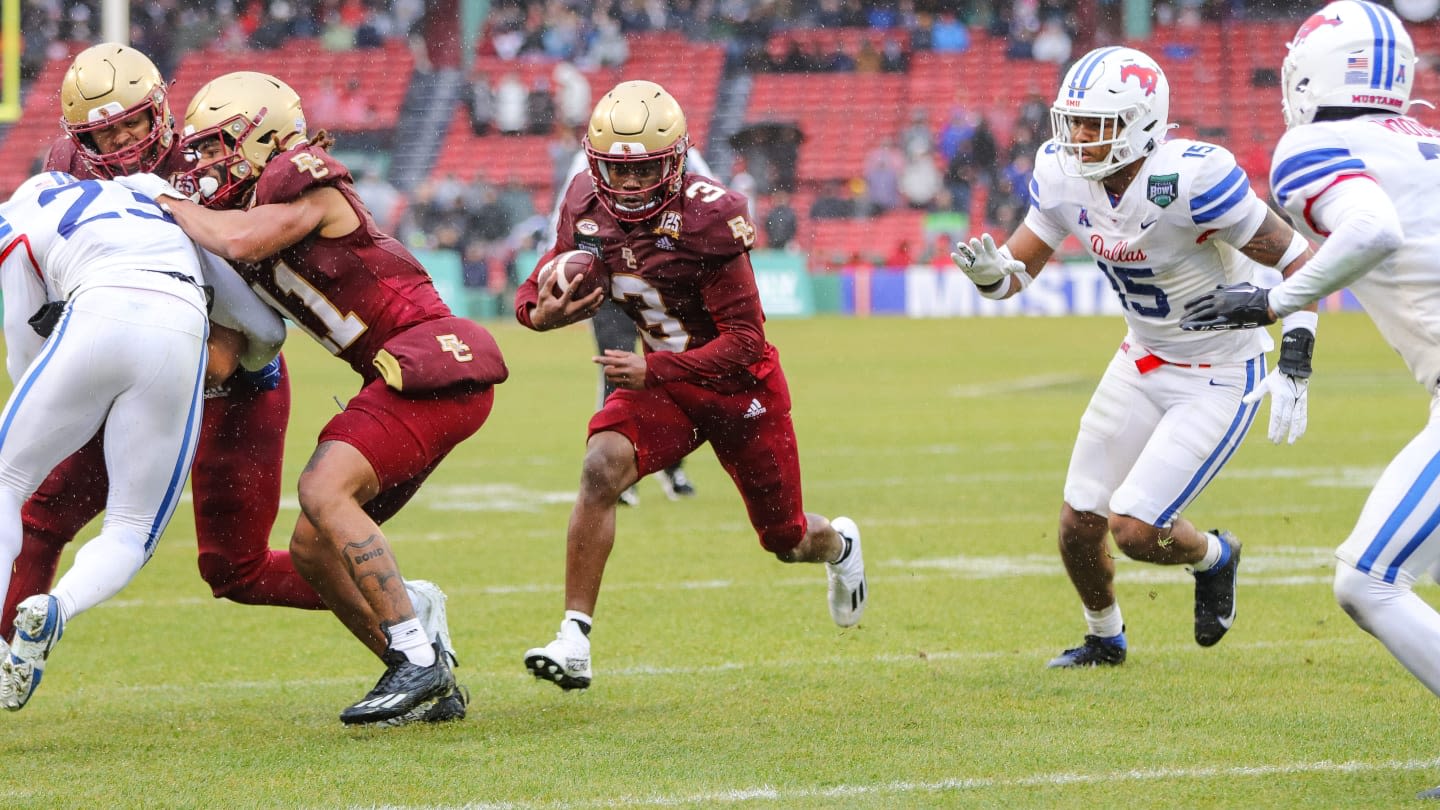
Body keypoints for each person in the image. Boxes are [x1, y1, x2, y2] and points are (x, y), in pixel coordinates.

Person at [8, 43, 463, 725]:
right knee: (43, 512)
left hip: (239, 375)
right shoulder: (66, 169)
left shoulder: (204, 153)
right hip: (131, 354)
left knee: (235, 570)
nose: (124, 142)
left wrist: (210, 355)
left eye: (133, 124)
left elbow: (261, 311)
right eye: (104, 133)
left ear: (160, 110)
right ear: (78, 138)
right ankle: (14, 651)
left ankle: (402, 606)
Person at [149, 71, 508, 726]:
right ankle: (427, 680)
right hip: (400, 376)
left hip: (430, 358)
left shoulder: (302, 181)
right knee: (313, 550)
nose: (203, 165)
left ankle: (416, 657)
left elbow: (241, 239)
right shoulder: (246, 220)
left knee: (322, 488)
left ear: (263, 136)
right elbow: (227, 351)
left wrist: (167, 206)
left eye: (217, 146)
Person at [951, 46, 1316, 668]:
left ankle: (1214, 557)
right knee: (1077, 524)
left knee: (1136, 530)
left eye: (1098, 125)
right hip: (1142, 359)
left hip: (1219, 374)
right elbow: (1015, 273)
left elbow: (1299, 259)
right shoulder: (1064, 176)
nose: (1081, 140)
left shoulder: (1193, 180)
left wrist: (1297, 355)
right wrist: (990, 277)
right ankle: (1105, 637)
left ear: (1145, 122)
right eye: (1074, 123)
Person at [515, 80, 866, 691]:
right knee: (601, 467)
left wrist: (654, 368)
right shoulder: (584, 202)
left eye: (643, 171)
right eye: (615, 173)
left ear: (674, 161)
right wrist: (538, 315)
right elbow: (541, 278)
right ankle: (574, 638)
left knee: (785, 540)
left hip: (739, 391)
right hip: (668, 390)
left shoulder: (711, 216)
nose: (626, 187)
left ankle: (839, 546)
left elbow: (746, 344)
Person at [1178, 4, 1440, 797]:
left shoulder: (1314, 145)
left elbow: (1371, 232)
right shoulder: (1422, 144)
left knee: (1369, 579)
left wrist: (1272, 304)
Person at [0, 172, 228, 708]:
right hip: (182, 319)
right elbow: (250, 314)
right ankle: (60, 607)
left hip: (97, 306)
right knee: (131, 528)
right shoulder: (149, 189)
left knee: (7, 481)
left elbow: (22, 345)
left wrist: (68, 413)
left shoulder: (21, 213)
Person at [544, 127, 705, 506]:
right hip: (610, 279)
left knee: (665, 370)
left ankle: (672, 465)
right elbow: (565, 213)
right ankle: (620, 470)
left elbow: (708, 191)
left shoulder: (675, 153)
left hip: (662, 280)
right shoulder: (587, 162)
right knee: (617, 369)